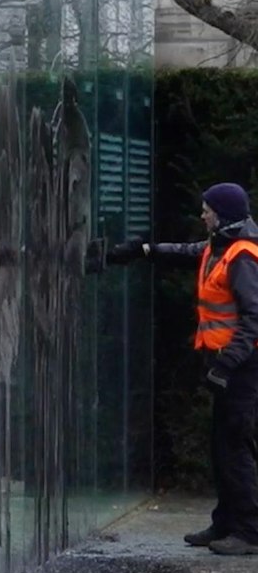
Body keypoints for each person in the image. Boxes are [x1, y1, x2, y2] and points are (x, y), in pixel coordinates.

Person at [108, 183, 258, 554]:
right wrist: (145, 250)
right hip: (226, 366)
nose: (202, 215)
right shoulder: (218, 246)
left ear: (222, 215)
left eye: (207, 210)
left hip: (240, 369)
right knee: (222, 447)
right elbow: (188, 251)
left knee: (236, 447)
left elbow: (255, 317)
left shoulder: (242, 255)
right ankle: (226, 523)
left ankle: (250, 532)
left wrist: (227, 363)